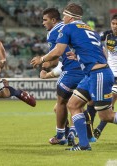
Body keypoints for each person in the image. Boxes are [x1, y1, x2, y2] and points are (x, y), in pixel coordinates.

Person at [31, 3, 116, 151]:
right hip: (92, 74)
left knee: (106, 116)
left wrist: (41, 59)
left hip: (98, 75)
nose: (63, 18)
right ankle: (84, 145)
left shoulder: (68, 28)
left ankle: (71, 138)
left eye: (64, 15)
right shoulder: (90, 30)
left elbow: (58, 51)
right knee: (73, 105)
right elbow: (101, 53)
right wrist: (79, 56)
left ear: (70, 17)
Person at [40, 8, 95, 146]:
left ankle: (61, 136)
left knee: (62, 103)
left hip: (72, 71)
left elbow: (56, 54)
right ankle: (83, 135)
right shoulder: (83, 27)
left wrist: (42, 62)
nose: (43, 23)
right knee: (77, 105)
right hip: (88, 70)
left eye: (45, 20)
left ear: (53, 20)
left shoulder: (55, 32)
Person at [93, 14, 117, 139]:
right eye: (113, 23)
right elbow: (94, 40)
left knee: (111, 100)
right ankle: (96, 129)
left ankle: (99, 129)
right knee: (106, 104)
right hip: (109, 74)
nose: (115, 26)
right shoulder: (107, 35)